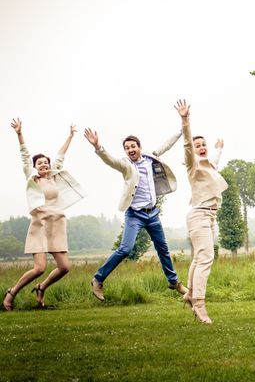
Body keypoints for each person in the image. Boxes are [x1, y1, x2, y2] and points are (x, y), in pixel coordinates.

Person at [84, 125, 188, 301]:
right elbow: (110, 161)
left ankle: (174, 282)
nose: (130, 150)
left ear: (139, 147)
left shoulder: (150, 158)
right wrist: (98, 147)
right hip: (135, 215)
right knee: (125, 249)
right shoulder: (125, 165)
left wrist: (182, 128)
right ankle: (98, 279)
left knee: (163, 248)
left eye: (133, 146)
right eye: (127, 148)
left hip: (153, 214)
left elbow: (166, 145)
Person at [3, 119, 86, 311]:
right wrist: (19, 134)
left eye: (46, 162)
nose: (44, 165)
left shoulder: (54, 176)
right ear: (35, 166)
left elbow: (60, 155)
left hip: (57, 225)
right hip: (40, 225)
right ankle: (11, 293)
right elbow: (25, 155)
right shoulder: (32, 179)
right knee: (39, 268)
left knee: (64, 267)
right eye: (40, 163)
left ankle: (41, 287)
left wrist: (71, 136)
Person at [174, 99, 228, 324]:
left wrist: (218, 148)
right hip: (199, 215)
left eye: (203, 144)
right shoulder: (192, 164)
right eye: (199, 146)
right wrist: (185, 121)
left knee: (199, 257)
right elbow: (187, 145)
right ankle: (199, 303)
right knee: (206, 257)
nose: (201, 147)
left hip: (210, 216)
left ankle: (189, 295)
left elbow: (213, 159)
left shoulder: (209, 165)